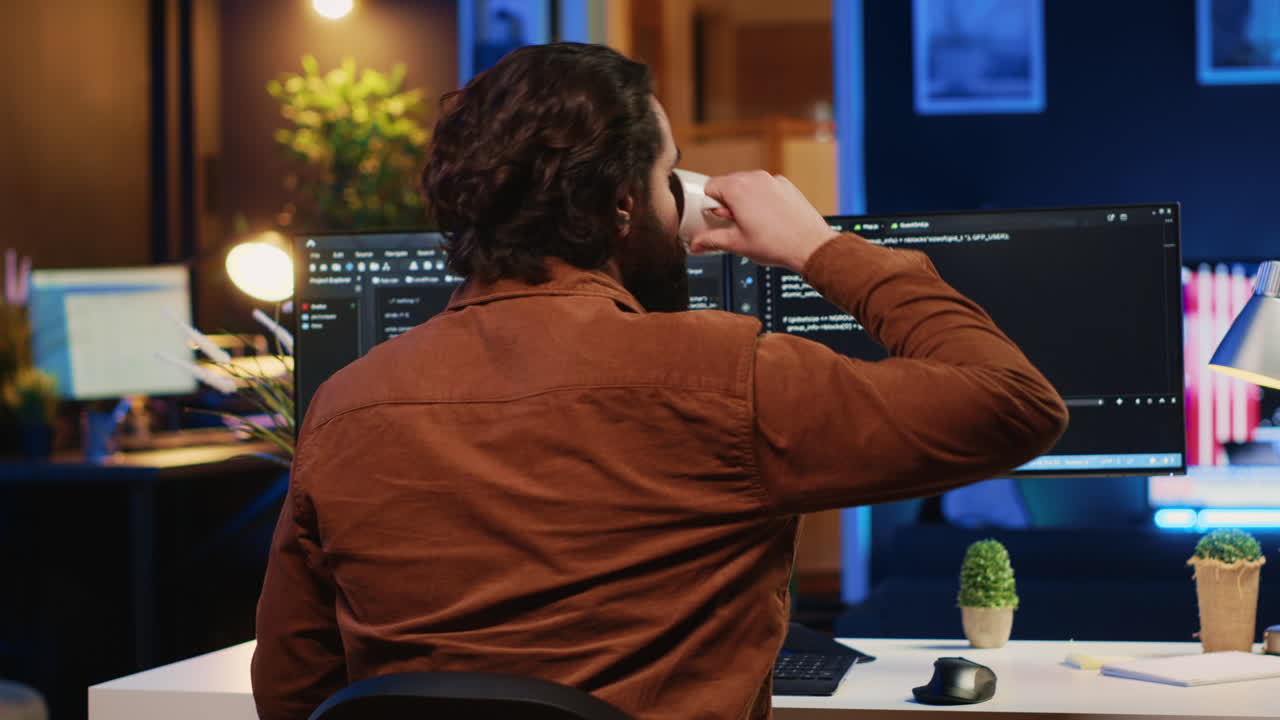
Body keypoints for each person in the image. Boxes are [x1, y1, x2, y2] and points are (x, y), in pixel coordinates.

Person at [251, 42, 1068, 720]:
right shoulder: (725, 379)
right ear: (622, 204)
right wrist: (815, 246)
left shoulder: (345, 406)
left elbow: (292, 687)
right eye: (668, 174)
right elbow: (1014, 402)